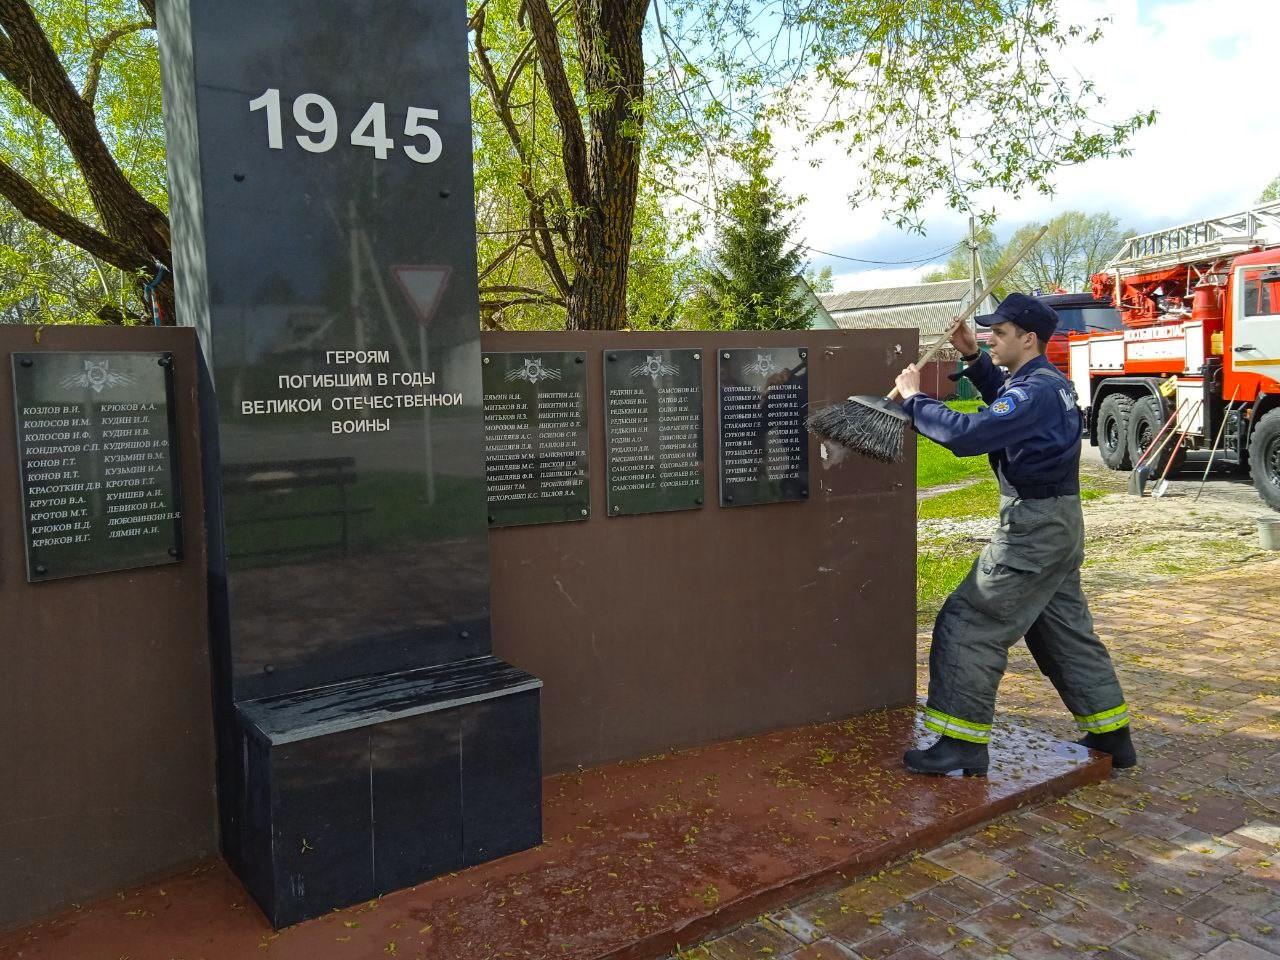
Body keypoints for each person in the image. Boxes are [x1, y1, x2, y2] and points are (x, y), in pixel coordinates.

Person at [894, 293, 1135, 776]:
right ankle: (1112, 735)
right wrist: (972, 356)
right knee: (1062, 630)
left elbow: (971, 434)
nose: (990, 338)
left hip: (1033, 529)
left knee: (970, 621)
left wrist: (915, 398)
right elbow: (1006, 399)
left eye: (998, 334)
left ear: (1028, 339)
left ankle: (961, 743)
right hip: (1060, 521)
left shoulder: (1037, 391)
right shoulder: (1045, 382)